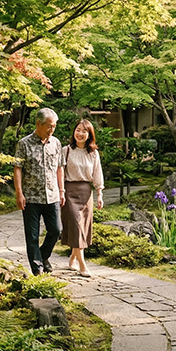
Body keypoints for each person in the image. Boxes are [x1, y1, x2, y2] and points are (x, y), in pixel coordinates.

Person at [14, 108, 65, 275]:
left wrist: (62, 190)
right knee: (32, 236)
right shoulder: (24, 143)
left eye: (54, 126)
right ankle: (38, 271)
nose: (51, 130)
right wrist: (19, 193)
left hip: (52, 195)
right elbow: (18, 169)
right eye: (49, 126)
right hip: (31, 198)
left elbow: (59, 168)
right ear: (38, 124)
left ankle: (43, 257)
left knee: (56, 230)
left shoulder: (56, 143)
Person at [61, 119, 104, 277]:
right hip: (69, 191)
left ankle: (73, 256)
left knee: (82, 228)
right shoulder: (66, 150)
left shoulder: (93, 153)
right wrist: (59, 191)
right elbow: (59, 172)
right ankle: (82, 264)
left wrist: (99, 193)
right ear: (74, 132)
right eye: (78, 130)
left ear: (89, 134)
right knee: (76, 226)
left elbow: (97, 173)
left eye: (84, 131)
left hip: (86, 192)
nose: (80, 134)